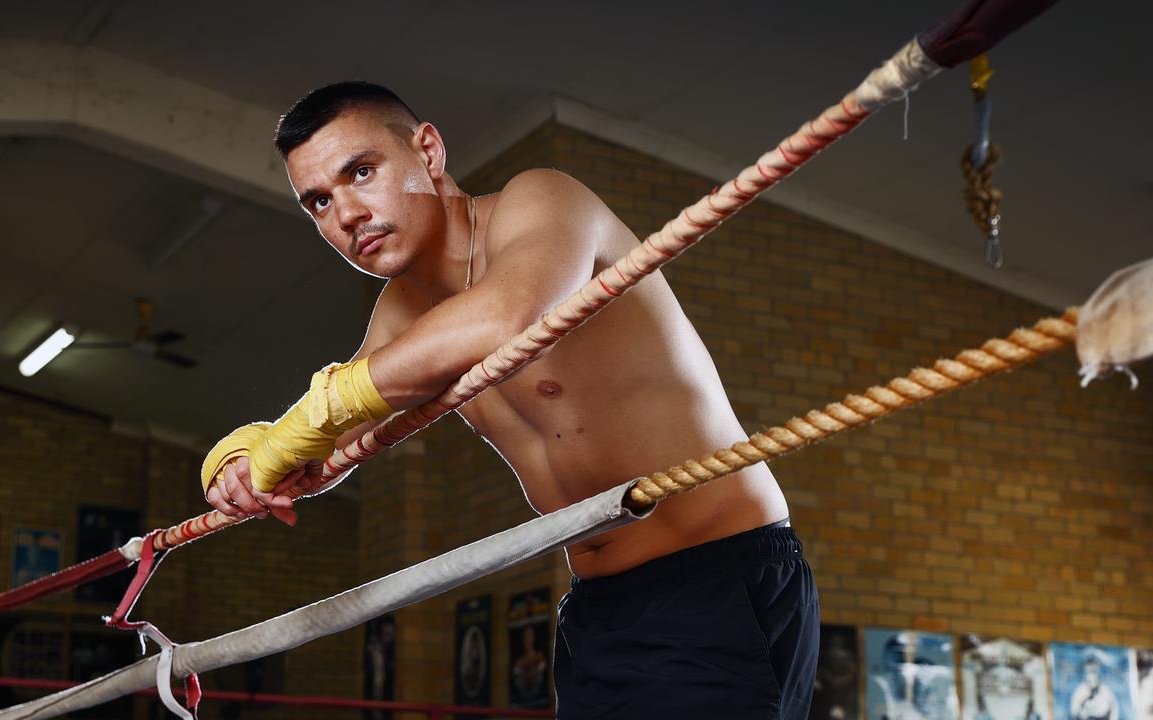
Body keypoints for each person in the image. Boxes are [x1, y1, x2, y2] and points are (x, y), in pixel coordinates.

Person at [199, 81, 818, 719]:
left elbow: (507, 317)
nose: (347, 214)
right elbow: (331, 440)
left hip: (715, 575)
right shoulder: (402, 316)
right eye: (319, 202)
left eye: (362, 172)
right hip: (598, 607)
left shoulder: (540, 200)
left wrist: (312, 418)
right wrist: (245, 461)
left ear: (429, 151)